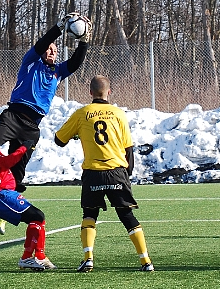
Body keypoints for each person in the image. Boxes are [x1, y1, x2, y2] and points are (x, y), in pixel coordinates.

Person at [0, 13, 91, 194]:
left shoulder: (58, 71)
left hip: (32, 126)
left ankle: (10, 196)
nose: (51, 52)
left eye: (55, 51)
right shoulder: (31, 61)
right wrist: (58, 27)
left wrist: (84, 41)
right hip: (13, 118)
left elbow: (75, 63)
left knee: (18, 168)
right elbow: (43, 42)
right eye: (49, 49)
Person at [54, 75, 154, 272]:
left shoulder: (82, 113)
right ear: (109, 92)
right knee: (127, 215)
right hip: (117, 171)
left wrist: (77, 133)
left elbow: (59, 140)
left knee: (90, 214)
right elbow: (129, 148)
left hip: (93, 173)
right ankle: (146, 261)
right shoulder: (118, 114)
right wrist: (127, 174)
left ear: (90, 92)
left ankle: (88, 258)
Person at [0, 116, 54, 270]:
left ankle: (29, 257)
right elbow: (6, 162)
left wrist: (11, 183)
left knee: (36, 219)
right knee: (38, 217)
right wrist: (24, 147)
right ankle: (38, 257)